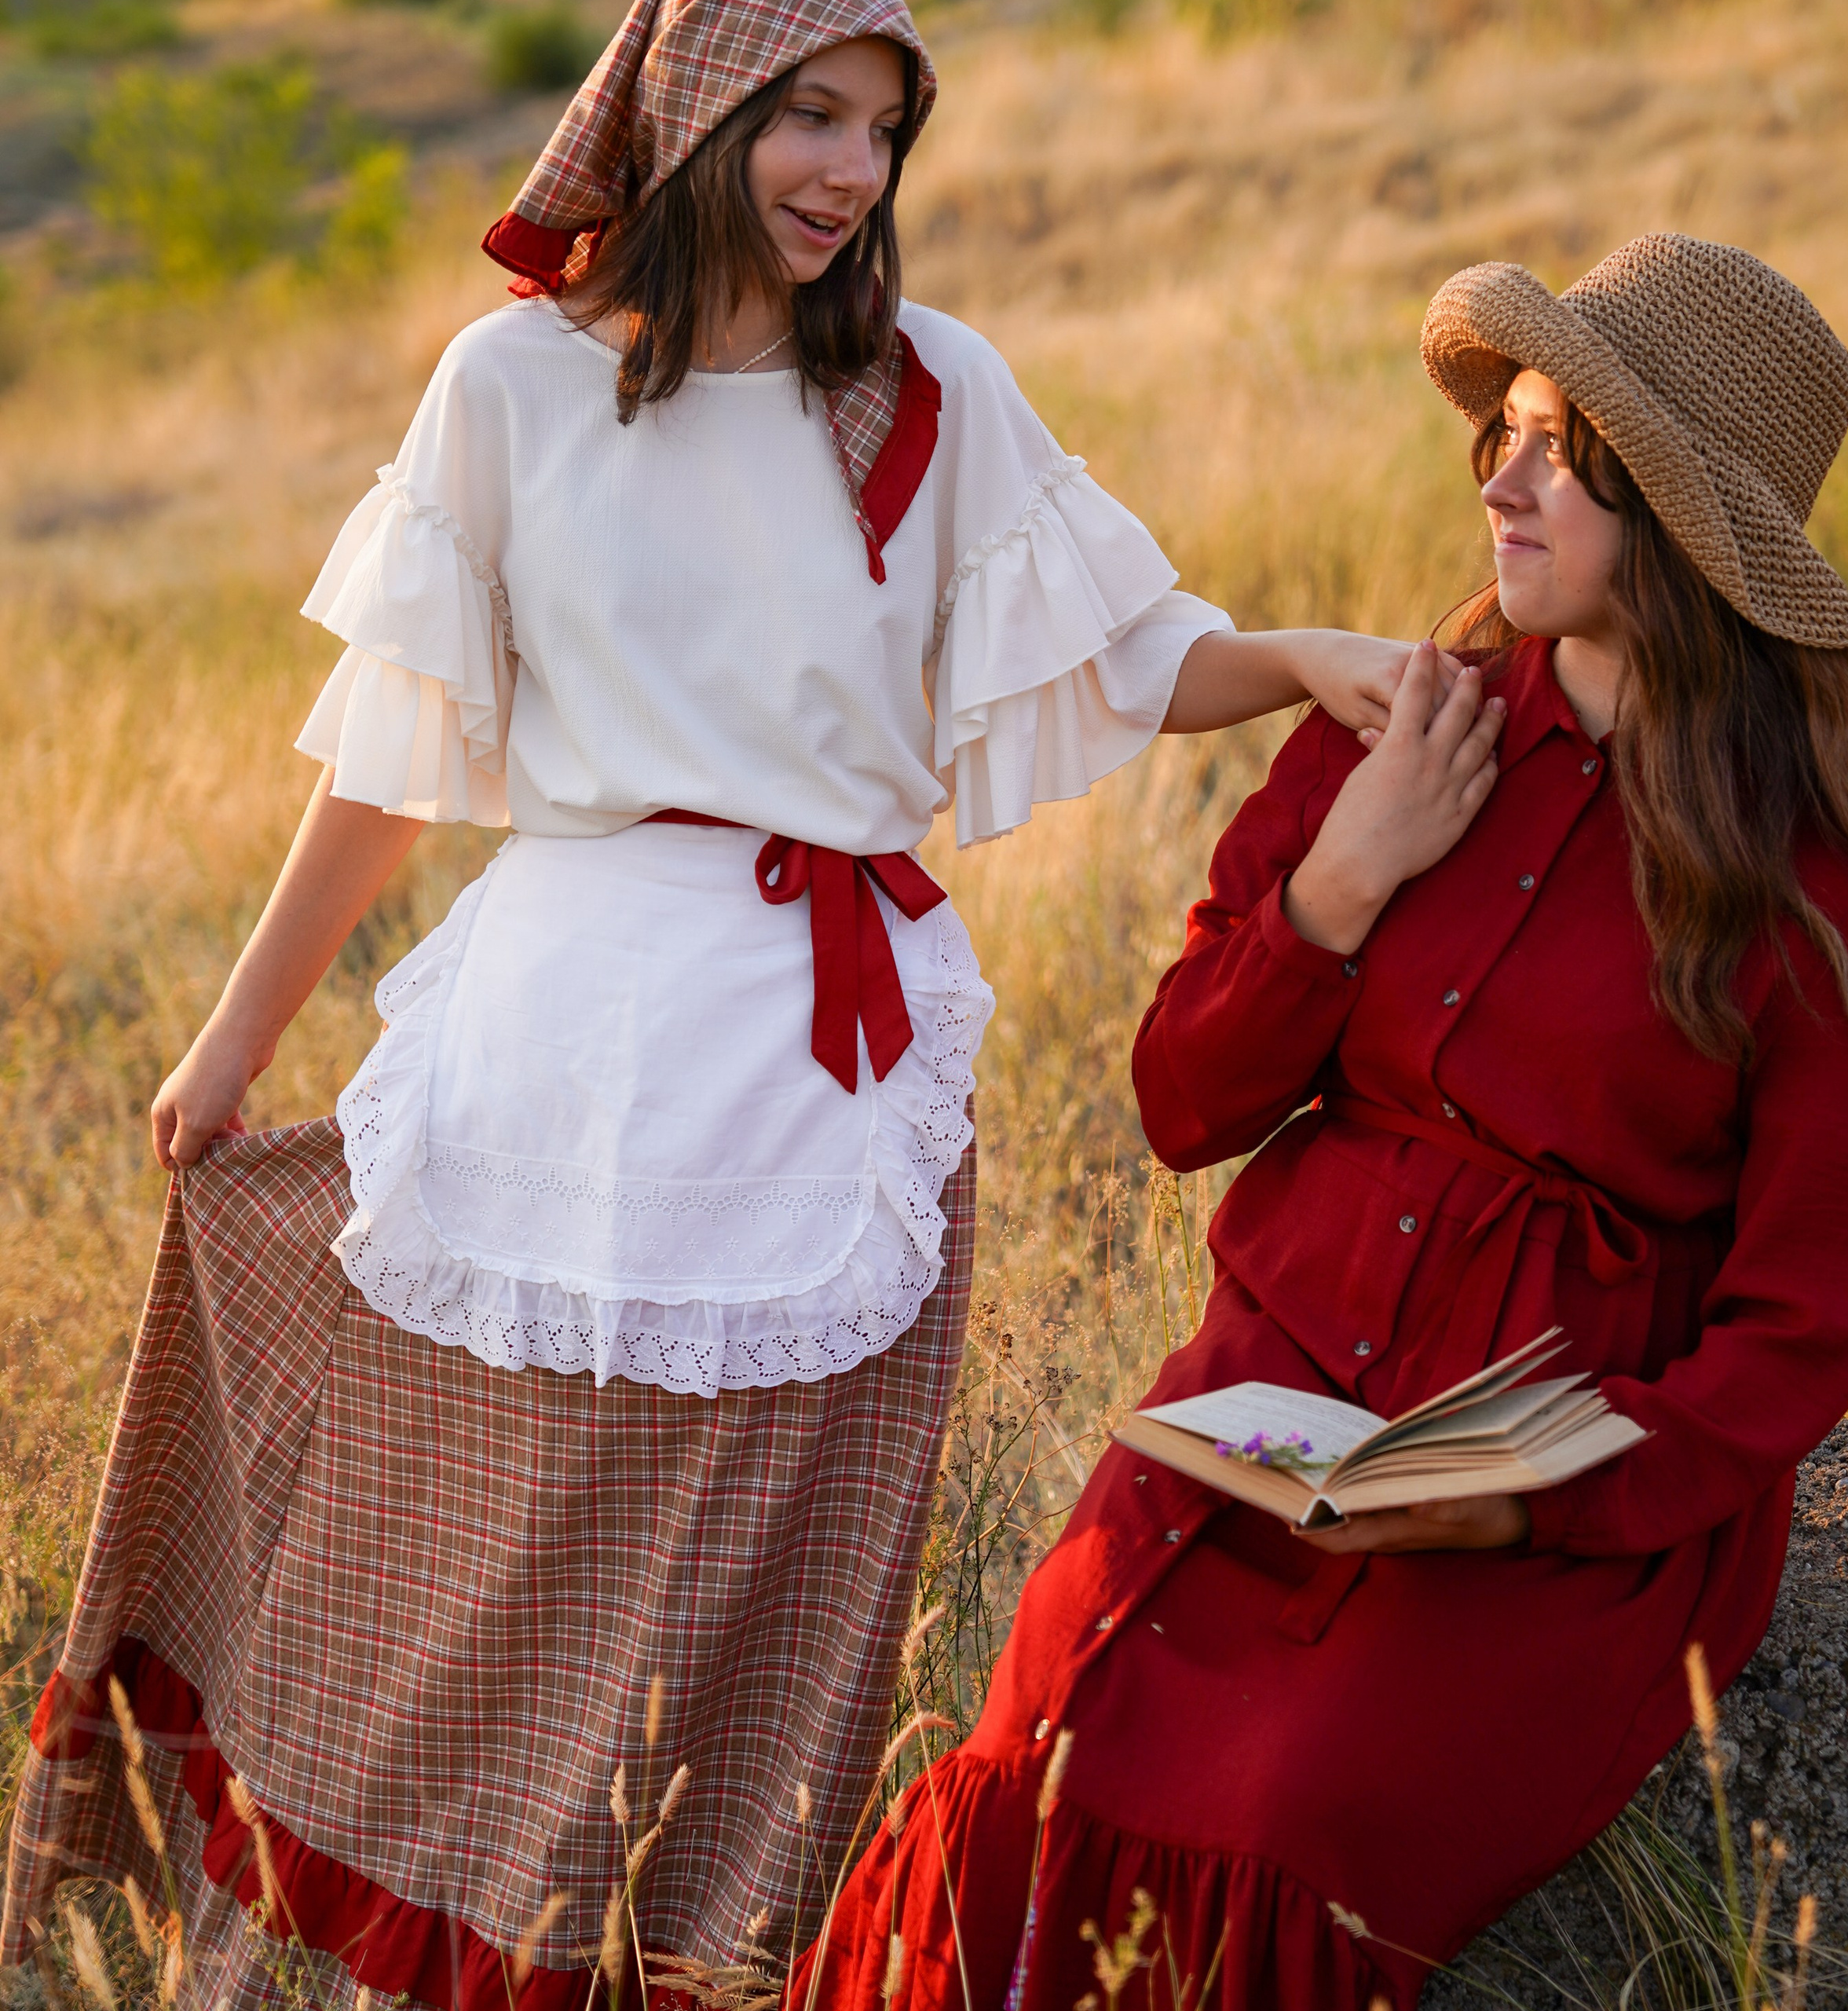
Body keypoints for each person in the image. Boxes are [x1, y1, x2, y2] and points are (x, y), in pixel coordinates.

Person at [0, 2, 1413, 2004]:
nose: (849, 171)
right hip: (557, 1035)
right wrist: (233, 1037)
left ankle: (668, 1962)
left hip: (821, 1068)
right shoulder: (506, 384)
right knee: (466, 1570)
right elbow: (395, 765)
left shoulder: (928, 389)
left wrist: (1300, 655)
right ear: (687, 112)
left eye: (882, 132)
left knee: (738, 1614)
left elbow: (1111, 645)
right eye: (809, 118)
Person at [796, 233, 1848, 2010]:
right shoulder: (1395, 727)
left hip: (1540, 1483)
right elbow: (1179, 1098)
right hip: (1265, 1400)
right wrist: (1339, 883)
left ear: (1670, 518)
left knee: (1302, 1807)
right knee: (1042, 1717)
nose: (1499, 480)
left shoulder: (1820, 892)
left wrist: (1537, 1501)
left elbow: (1799, 1323)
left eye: (1556, 451)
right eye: (1497, 430)